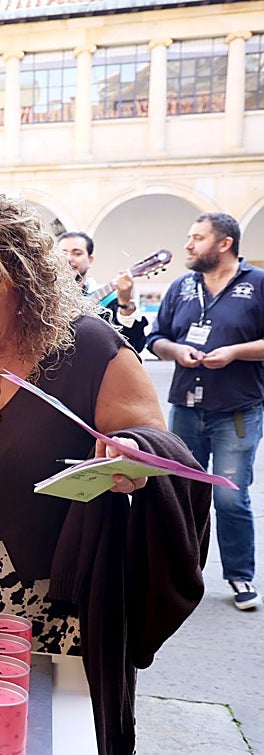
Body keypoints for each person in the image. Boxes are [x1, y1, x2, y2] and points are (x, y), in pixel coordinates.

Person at [0, 190, 211, 755]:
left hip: (71, 599)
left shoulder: (92, 349)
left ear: (25, 280)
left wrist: (134, 454)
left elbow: (166, 452)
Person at [146, 211, 264, 612]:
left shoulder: (257, 284)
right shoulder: (182, 286)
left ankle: (240, 576)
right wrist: (177, 350)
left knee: (230, 497)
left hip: (236, 409)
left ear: (224, 243)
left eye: (197, 237)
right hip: (186, 407)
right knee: (180, 493)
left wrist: (235, 352)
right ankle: (180, 575)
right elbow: (156, 337)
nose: (188, 244)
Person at [57, 230, 150, 352]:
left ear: (90, 260)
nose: (69, 259)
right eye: (63, 254)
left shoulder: (107, 302)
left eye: (77, 253)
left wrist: (125, 304)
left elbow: (135, 345)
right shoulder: (43, 297)